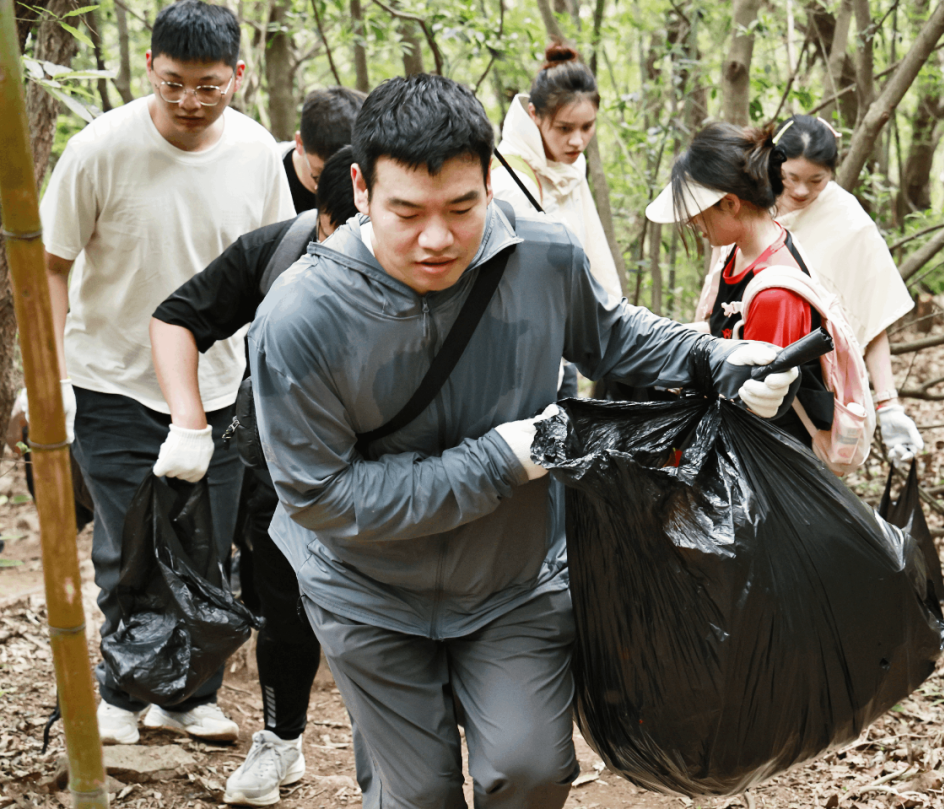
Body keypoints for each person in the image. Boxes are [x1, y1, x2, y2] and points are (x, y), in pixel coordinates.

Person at [248, 73, 799, 809]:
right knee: (418, 795)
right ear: (360, 187)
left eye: (462, 206)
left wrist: (720, 358)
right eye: (407, 212)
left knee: (530, 770)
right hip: (367, 593)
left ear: (490, 179)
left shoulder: (541, 255)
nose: (437, 238)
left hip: (516, 579)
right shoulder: (301, 316)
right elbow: (321, 494)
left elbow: (614, 336)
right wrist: (502, 459)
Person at [40, 0, 295, 746]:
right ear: (150, 67)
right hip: (112, 376)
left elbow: (274, 270)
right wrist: (50, 374)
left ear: (238, 78)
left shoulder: (255, 155)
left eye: (208, 85)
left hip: (216, 384)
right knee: (126, 544)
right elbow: (53, 263)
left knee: (206, 548)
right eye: (174, 82)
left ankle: (187, 693)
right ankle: (121, 689)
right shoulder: (100, 148)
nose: (189, 101)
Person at [150, 146, 358, 806]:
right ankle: (282, 740)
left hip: (391, 474)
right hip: (279, 469)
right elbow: (176, 316)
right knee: (284, 613)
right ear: (322, 216)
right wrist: (189, 420)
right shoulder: (275, 252)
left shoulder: (432, 260)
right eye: (345, 231)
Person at [694, 114, 923, 463]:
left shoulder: (849, 224)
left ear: (832, 172)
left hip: (807, 393)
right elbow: (719, 288)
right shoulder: (749, 205)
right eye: (791, 178)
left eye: (817, 180)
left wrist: (888, 404)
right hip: (736, 376)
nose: (801, 191)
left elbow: (872, 320)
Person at [648, 122, 836, 449]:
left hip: (762, 464)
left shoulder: (775, 293)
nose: (691, 222)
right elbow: (725, 329)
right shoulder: (740, 251)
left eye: (696, 211)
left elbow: (756, 408)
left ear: (731, 204)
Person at [491, 41, 621, 303]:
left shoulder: (571, 162)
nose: (577, 141)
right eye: (564, 128)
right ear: (534, 114)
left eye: (587, 127)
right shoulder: (510, 182)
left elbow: (596, 255)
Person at [280, 87, 367, 212]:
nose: (333, 186)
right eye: (320, 175)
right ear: (299, 143)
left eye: (346, 175)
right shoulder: (270, 176)